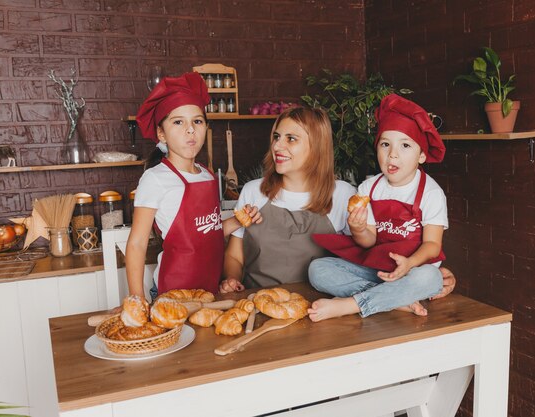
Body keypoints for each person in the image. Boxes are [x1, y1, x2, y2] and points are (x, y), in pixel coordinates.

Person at [308, 94, 449, 321]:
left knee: (432, 278)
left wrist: (409, 264)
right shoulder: (368, 188)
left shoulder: (431, 193)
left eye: (405, 145)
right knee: (318, 269)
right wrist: (358, 229)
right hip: (376, 269)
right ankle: (392, 301)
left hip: (413, 270)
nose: (392, 154)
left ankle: (351, 305)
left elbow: (432, 246)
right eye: (385, 144)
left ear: (422, 155)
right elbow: (368, 242)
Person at [127, 72, 258, 300]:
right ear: (161, 134)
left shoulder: (207, 175)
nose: (190, 130)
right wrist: (137, 299)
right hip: (172, 294)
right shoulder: (155, 179)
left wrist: (240, 220)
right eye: (178, 122)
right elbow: (137, 244)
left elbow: (209, 232)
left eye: (197, 121)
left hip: (210, 291)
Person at [220, 106, 356, 293]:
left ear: (317, 145)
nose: (277, 146)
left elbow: (357, 261)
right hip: (257, 305)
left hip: (322, 311)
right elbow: (235, 256)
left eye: (291, 139)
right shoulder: (254, 191)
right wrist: (232, 279)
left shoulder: (342, 195)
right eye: (277, 137)